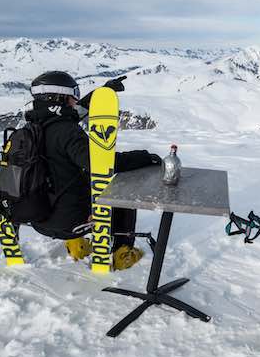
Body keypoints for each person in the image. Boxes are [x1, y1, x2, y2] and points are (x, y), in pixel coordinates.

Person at [25, 70, 161, 270]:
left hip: (39, 217)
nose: (76, 99)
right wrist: (144, 157)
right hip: (68, 222)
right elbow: (103, 163)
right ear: (60, 97)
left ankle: (77, 245)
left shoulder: (33, 127)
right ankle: (123, 254)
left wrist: (102, 92)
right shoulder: (67, 132)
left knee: (66, 183)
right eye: (73, 95)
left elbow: (75, 111)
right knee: (121, 193)